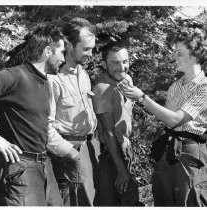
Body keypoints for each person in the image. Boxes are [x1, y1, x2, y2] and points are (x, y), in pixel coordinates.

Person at [118, 29, 207, 206]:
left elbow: (174, 119)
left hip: (191, 155)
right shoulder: (175, 86)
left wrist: (142, 98)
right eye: (174, 52)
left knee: (190, 199)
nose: (174, 56)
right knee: (163, 198)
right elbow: (166, 119)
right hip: (169, 151)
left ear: (195, 54)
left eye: (179, 53)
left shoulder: (204, 87)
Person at [0, 26, 66, 206]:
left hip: (45, 167)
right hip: (20, 170)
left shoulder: (44, 81)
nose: (64, 59)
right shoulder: (15, 76)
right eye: (61, 52)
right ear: (48, 51)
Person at [47, 18, 100, 206]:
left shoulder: (83, 74)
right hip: (68, 155)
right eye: (86, 49)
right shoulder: (54, 79)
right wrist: (71, 153)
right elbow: (46, 127)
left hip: (88, 149)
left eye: (92, 48)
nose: (91, 54)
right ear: (69, 45)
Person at [92, 41, 143, 206]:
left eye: (125, 61)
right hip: (112, 156)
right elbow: (108, 132)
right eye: (115, 63)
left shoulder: (127, 79)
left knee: (132, 199)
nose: (122, 67)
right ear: (103, 64)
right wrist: (121, 170)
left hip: (126, 150)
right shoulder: (101, 89)